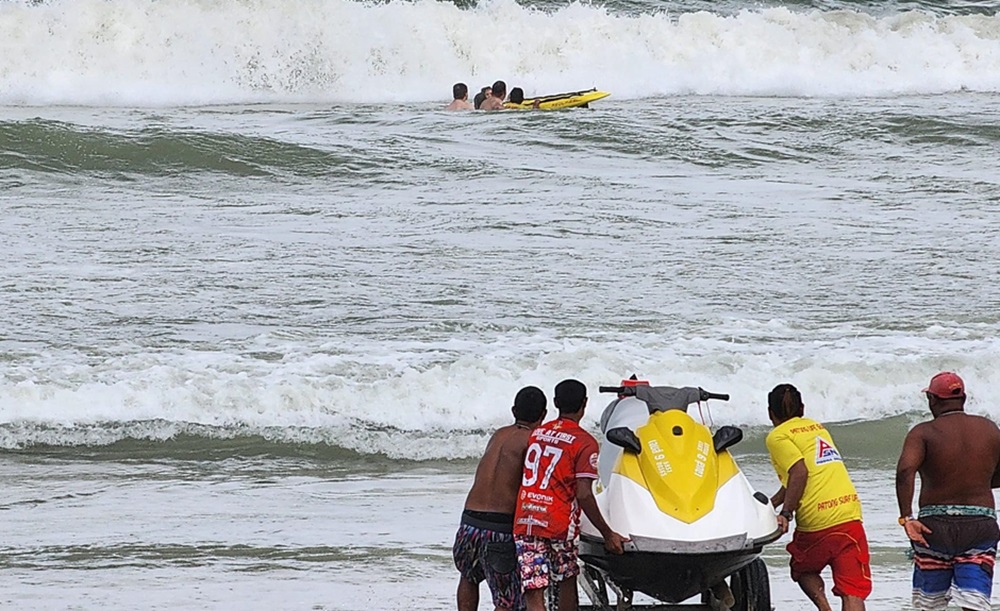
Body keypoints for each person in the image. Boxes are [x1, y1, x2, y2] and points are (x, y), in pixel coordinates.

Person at [514, 379, 627, 611]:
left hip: (526, 521)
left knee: (534, 592)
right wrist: (608, 534)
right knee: (566, 580)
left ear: (555, 403)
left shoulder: (537, 434)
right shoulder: (585, 442)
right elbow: (584, 494)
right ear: (584, 404)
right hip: (558, 523)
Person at [896, 372, 1000, 611]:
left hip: (934, 527)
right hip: (980, 524)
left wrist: (907, 518)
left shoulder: (922, 432)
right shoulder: (989, 428)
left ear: (932, 399)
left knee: (929, 605)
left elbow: (905, 472)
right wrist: (979, 481)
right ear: (963, 397)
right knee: (974, 603)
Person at [766, 383, 871, 611]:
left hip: (817, 520)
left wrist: (785, 513)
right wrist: (772, 502)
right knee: (852, 589)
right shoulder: (817, 427)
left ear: (770, 414)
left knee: (803, 568)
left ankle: (824, 608)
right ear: (802, 409)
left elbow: (800, 472)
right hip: (849, 513)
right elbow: (800, 475)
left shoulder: (777, 436)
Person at [454, 386, 548, 611]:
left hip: (468, 523)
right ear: (544, 415)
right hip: (499, 528)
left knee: (469, 577)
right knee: (507, 600)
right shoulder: (534, 440)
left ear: (513, 410)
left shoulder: (498, 434)